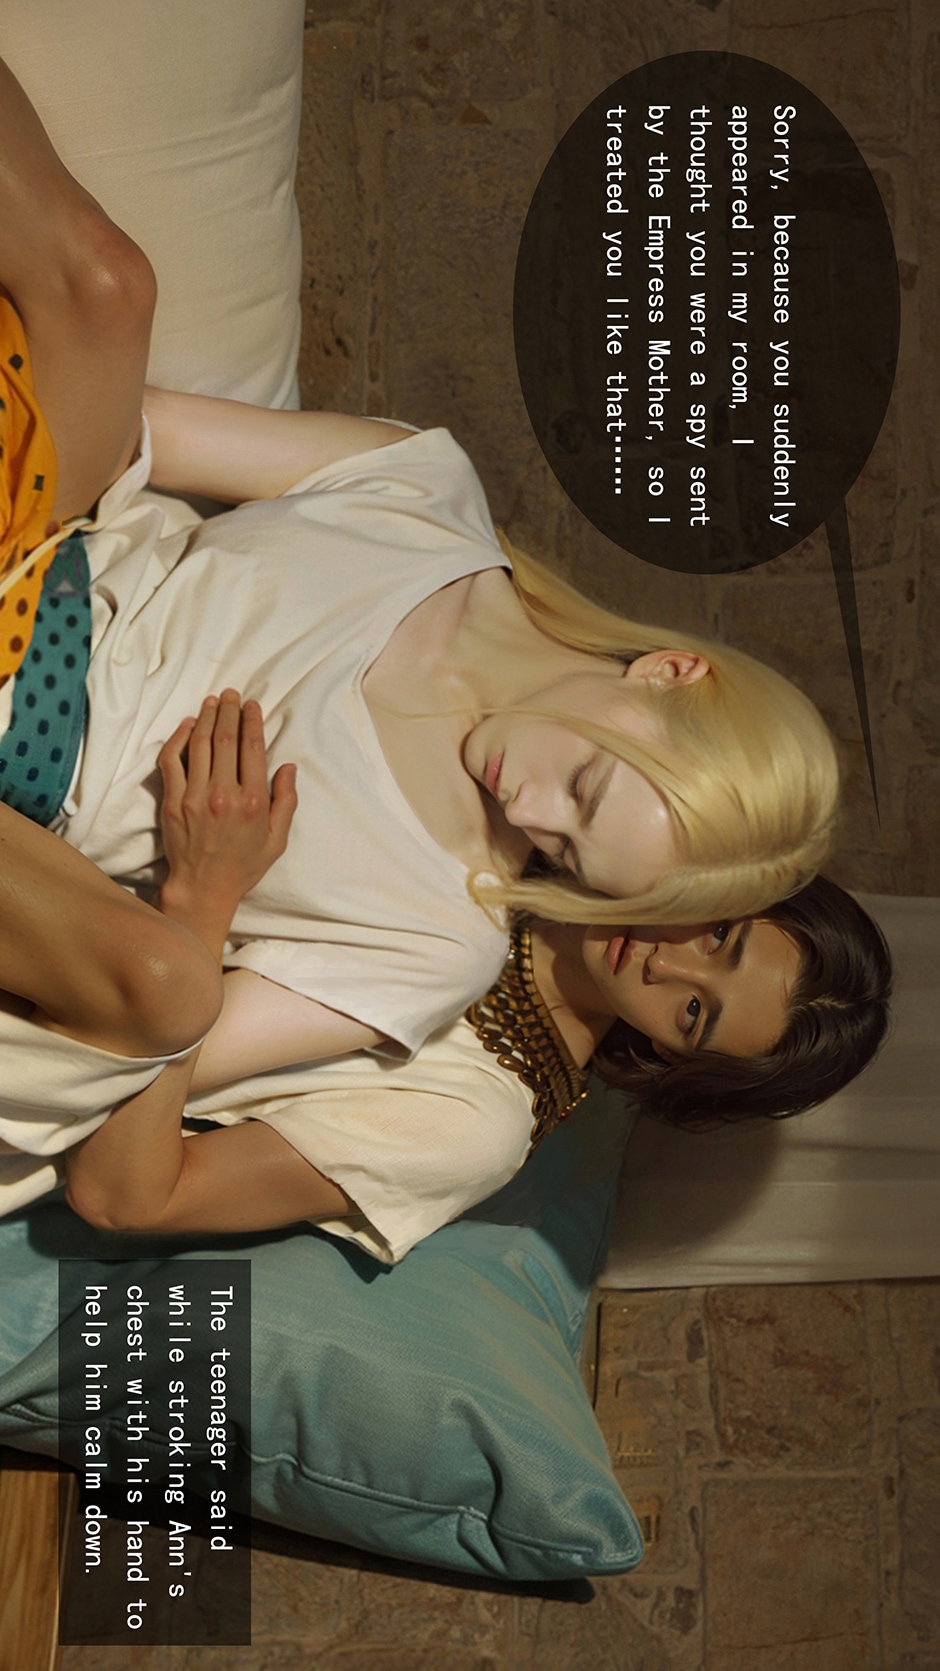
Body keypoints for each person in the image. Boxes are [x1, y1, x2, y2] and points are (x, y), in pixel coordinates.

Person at [0, 54, 841, 1101]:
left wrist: (199, 900)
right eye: (584, 785)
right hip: (41, 560)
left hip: (25, 767)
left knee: (176, 993)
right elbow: (132, 427)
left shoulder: (439, 938)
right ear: (668, 671)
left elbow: (156, 1070)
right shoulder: (421, 490)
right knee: (110, 288)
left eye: (570, 855)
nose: (531, 811)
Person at [43, 696, 886, 1259]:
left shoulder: (473, 1123)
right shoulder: (537, 796)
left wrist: (200, 903)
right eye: (722, 935)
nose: (666, 963)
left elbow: (127, 1197)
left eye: (694, 1012)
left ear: (671, 1056)